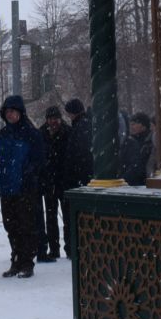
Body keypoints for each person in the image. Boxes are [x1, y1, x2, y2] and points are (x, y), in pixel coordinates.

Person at [0, 96, 47, 279]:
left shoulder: (31, 133)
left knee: (26, 226)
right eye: (7, 112)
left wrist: (27, 175)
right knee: (11, 225)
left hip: (25, 188)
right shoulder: (3, 134)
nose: (10, 115)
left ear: (20, 113)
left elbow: (39, 159)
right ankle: (15, 260)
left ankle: (27, 263)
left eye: (13, 111)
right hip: (7, 187)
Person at [60, 98, 92, 258]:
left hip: (77, 179)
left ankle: (75, 247)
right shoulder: (86, 126)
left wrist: (72, 175)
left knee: (73, 217)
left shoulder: (79, 128)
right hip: (83, 177)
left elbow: (77, 155)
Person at [38, 106, 69, 262]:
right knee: (51, 218)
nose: (53, 122)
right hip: (49, 181)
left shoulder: (67, 132)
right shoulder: (41, 133)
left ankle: (69, 248)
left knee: (67, 218)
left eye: (55, 119)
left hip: (63, 181)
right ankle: (54, 248)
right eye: (50, 119)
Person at [122, 112, 154, 186]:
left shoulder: (149, 142)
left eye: (134, 124)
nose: (132, 127)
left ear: (143, 126)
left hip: (142, 183)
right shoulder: (129, 141)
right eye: (131, 124)